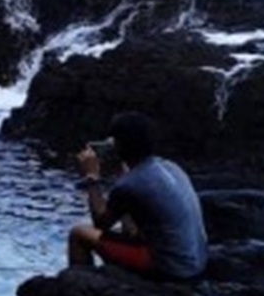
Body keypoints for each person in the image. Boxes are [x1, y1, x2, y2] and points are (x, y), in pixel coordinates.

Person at [67, 111, 208, 280]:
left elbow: (101, 223)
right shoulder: (171, 167)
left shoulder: (130, 184)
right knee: (126, 227)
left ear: (118, 145)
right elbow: (135, 209)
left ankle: (81, 285)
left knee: (79, 234)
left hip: (169, 267)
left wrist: (92, 177)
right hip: (197, 260)